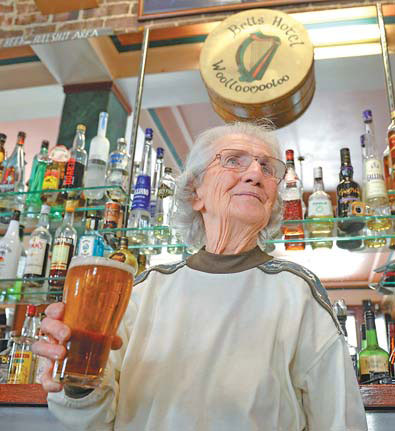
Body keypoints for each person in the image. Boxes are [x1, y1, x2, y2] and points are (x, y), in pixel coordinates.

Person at [34, 122, 368, 430]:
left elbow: (341, 421)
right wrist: (75, 384)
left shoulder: (297, 292)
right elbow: (90, 419)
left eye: (267, 167)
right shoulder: (143, 291)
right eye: (234, 160)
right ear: (195, 193)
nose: (255, 173)